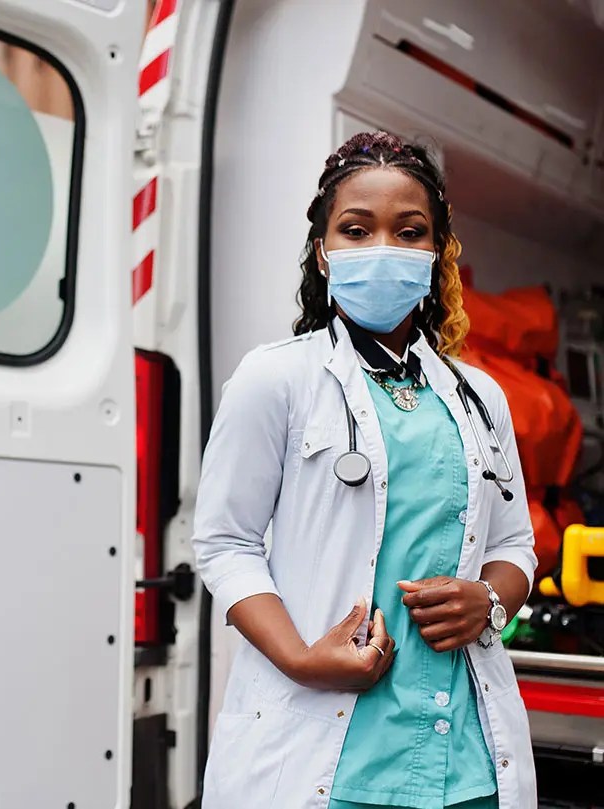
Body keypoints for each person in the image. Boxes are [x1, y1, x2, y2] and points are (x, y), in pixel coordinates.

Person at [193, 131, 537, 809]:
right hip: (328, 754)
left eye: (408, 232)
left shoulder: (478, 396)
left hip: (467, 757)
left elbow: (512, 544)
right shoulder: (276, 378)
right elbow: (223, 542)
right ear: (324, 252)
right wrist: (297, 656)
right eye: (356, 229)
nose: (382, 248)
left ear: (435, 254)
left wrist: (489, 601)